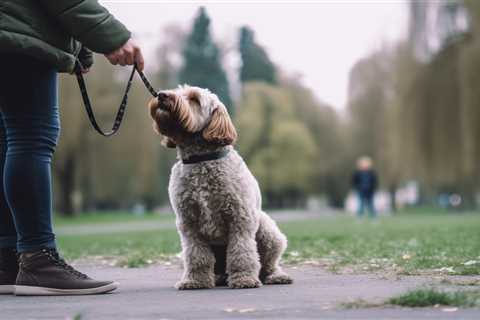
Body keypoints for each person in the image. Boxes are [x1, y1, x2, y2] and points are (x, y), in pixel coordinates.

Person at [0, 0, 144, 296]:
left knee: (8, 139)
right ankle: (39, 259)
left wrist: (78, 47)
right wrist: (111, 36)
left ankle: (7, 260)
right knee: (31, 138)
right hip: (16, 34)